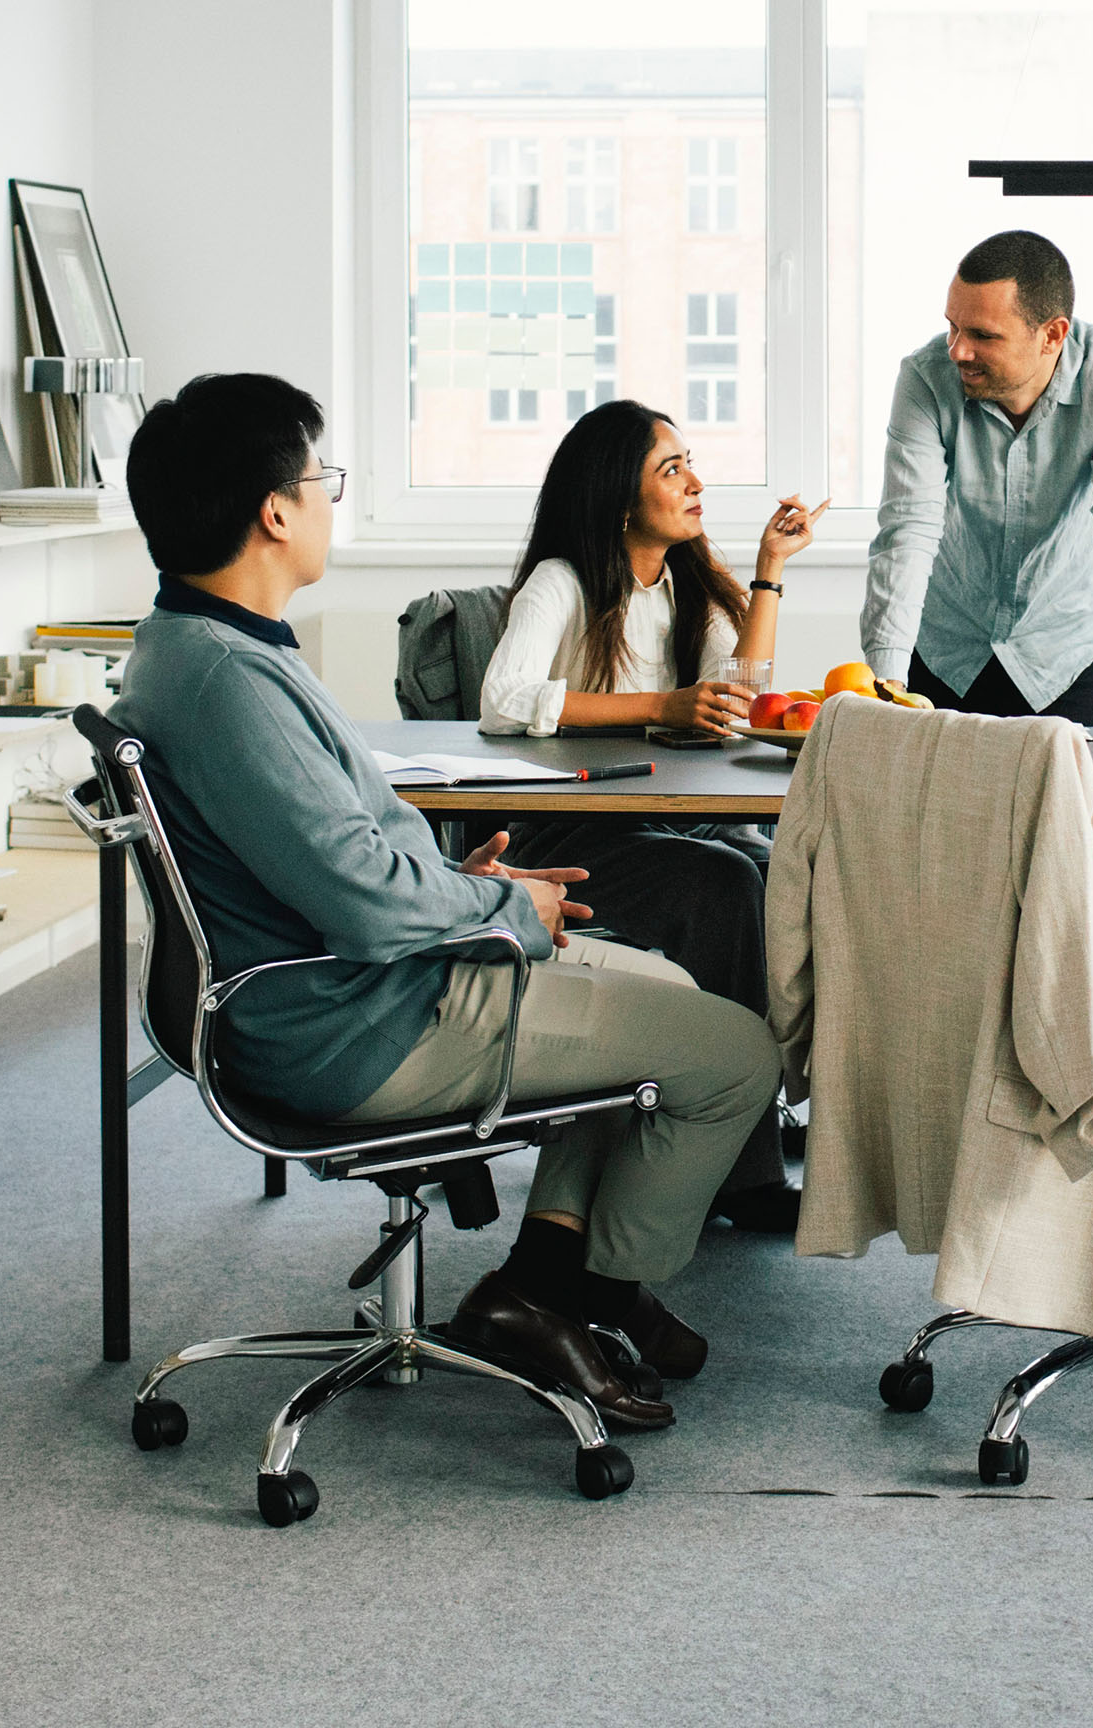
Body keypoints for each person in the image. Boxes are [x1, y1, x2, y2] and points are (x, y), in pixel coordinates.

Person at [110, 373, 778, 1436]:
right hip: (363, 1019)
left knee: (662, 984)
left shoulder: (206, 647)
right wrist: (504, 913)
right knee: (737, 1055)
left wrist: (487, 886)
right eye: (322, 480)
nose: (331, 499)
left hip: (357, 987)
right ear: (275, 512)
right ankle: (592, 1291)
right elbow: (367, 902)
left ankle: (541, 1279)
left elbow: (352, 854)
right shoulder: (227, 683)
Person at [480, 397, 820, 1230]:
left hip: (659, 825)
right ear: (620, 498)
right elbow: (502, 698)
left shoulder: (684, 586)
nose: (696, 482)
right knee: (723, 884)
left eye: (690, 463)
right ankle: (745, 1173)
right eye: (673, 470)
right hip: (568, 840)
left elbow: (740, 694)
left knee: (785, 878)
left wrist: (769, 568)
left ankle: (750, 1112)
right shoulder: (562, 582)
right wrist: (658, 703)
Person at [863, 228, 1093, 735]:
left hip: (1062, 657)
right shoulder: (925, 377)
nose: (958, 351)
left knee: (1058, 813)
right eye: (952, 327)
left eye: (983, 336)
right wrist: (885, 685)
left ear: (1052, 334)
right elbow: (908, 532)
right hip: (946, 650)